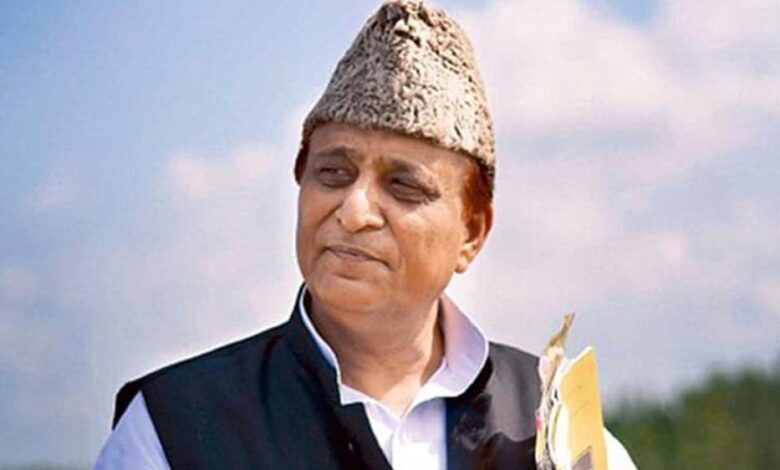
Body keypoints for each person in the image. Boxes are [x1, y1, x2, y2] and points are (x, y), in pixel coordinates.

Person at [95, 2, 636, 469]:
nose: (354, 212)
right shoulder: (175, 428)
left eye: (404, 186)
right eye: (333, 173)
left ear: (471, 233)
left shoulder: (552, 423)